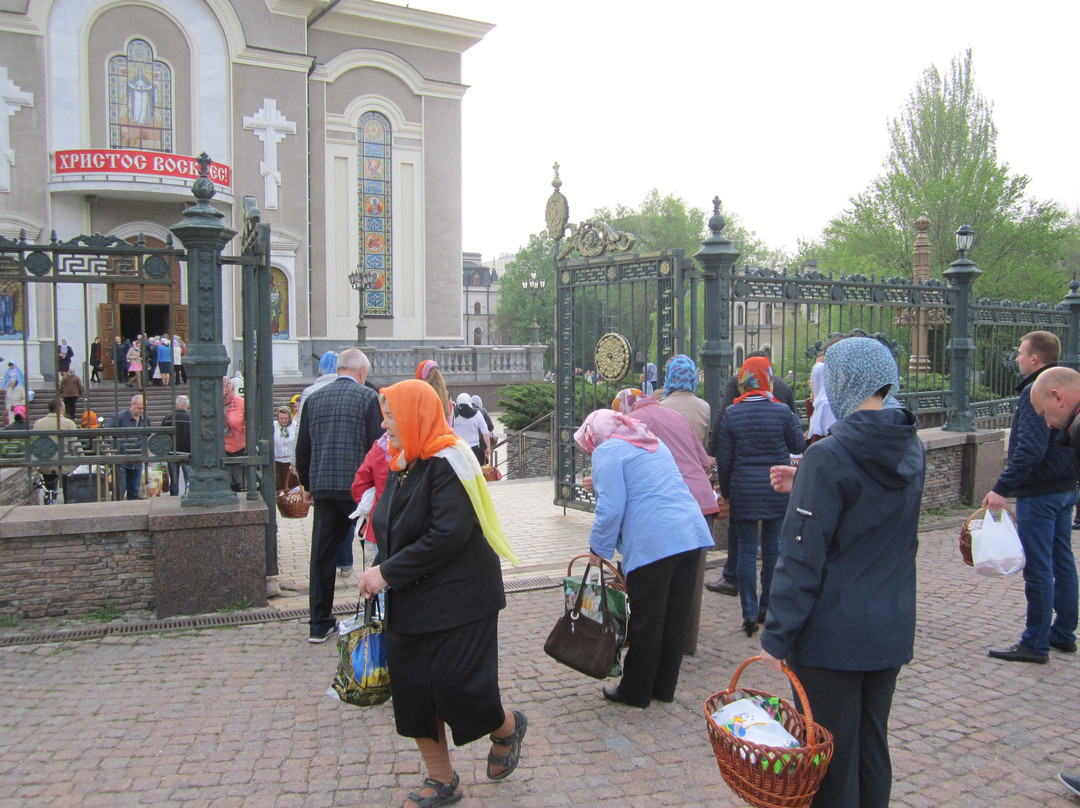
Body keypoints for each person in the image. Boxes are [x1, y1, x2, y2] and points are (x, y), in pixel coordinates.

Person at [760, 336, 925, 808]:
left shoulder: (828, 456)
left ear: (841, 380)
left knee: (826, 757)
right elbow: (874, 515)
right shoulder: (909, 448)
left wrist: (777, 635)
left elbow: (801, 556)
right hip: (888, 624)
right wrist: (806, 485)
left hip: (831, 636)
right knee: (872, 746)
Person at [356, 379, 524, 807]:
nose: (384, 422)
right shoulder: (404, 460)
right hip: (413, 598)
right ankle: (442, 780)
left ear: (415, 415)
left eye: (391, 414)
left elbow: (447, 535)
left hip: (462, 600)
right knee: (413, 690)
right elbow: (395, 526)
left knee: (461, 689)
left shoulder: (451, 460)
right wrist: (379, 565)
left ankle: (506, 727)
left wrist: (386, 573)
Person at [574, 409, 713, 709]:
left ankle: (635, 691)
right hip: (689, 534)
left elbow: (611, 508)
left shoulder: (606, 451)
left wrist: (598, 549)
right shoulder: (650, 441)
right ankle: (663, 687)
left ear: (593, 434)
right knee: (675, 616)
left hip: (654, 540)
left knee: (647, 618)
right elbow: (644, 485)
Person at [981, 331, 1077, 664]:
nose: (1018, 358)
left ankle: (1035, 642)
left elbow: (1030, 448)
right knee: (1062, 559)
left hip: (1040, 491)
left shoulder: (1037, 393)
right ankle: (1063, 632)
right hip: (1065, 488)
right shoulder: (1065, 387)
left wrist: (1002, 488)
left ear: (1035, 358)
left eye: (1021, 353)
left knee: (1038, 568)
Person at [294, 348, 383, 643]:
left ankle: (318, 624)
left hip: (324, 487)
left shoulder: (314, 399)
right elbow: (376, 445)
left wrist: (307, 485)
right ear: (362, 372)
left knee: (322, 555)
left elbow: (303, 447)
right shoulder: (368, 397)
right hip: (359, 491)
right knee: (371, 550)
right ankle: (375, 614)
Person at [715, 356, 805, 636]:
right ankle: (767, 606)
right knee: (772, 548)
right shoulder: (782, 412)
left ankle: (749, 613)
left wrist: (727, 492)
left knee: (744, 550)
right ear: (769, 378)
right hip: (776, 487)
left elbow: (725, 460)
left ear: (743, 380)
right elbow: (798, 445)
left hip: (743, 488)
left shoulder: (732, 413)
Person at [614, 389, 717, 521]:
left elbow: (628, 468)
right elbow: (705, 462)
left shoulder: (634, 422)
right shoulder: (676, 415)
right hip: (703, 498)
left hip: (673, 503)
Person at [32, 399, 80, 504]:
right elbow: (74, 444)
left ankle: (50, 499)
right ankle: (68, 502)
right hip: (65, 461)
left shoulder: (38, 423)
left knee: (50, 486)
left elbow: (35, 444)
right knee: (68, 487)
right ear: (61, 409)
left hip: (46, 461)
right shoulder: (68, 423)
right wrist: (80, 457)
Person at [658, 354, 711, 448]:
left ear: (669, 376)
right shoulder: (705, 407)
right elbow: (704, 445)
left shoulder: (660, 407)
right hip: (695, 461)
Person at [106, 394, 148, 500]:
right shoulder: (120, 417)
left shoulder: (145, 419)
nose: (141, 410)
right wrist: (108, 451)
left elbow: (146, 436)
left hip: (137, 459)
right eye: (139, 408)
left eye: (143, 408)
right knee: (120, 490)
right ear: (131, 405)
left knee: (134, 490)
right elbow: (106, 433)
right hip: (121, 458)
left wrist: (147, 452)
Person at [162, 395, 191, 497]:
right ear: (187, 405)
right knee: (188, 479)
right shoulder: (191, 417)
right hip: (188, 453)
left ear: (177, 404)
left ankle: (173, 499)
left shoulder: (168, 417)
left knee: (174, 480)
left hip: (172, 452)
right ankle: (188, 496)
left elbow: (162, 435)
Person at [452, 392, 491, 467]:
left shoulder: (453, 413)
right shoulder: (477, 414)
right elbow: (485, 431)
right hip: (474, 448)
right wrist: (488, 447)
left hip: (458, 447)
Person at [223, 377, 246, 492]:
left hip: (239, 449)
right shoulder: (211, 403)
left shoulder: (241, 403)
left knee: (239, 484)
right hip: (219, 451)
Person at [272, 405, 297, 492]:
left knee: (293, 487)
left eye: (286, 418)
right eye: (281, 418)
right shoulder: (273, 426)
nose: (283, 421)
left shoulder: (295, 426)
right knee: (280, 486)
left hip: (291, 462)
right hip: (278, 461)